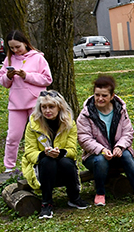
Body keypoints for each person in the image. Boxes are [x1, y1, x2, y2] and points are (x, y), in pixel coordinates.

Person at [77, 76, 134, 206]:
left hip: (118, 152)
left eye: (104, 95)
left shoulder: (120, 110)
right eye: (97, 95)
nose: (100, 99)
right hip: (95, 155)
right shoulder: (86, 114)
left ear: (112, 96)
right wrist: (102, 150)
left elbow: (128, 132)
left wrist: (120, 147)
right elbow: (83, 138)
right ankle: (100, 192)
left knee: (127, 155)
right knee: (100, 160)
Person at [22, 90, 88, 219]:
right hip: (41, 165)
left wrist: (60, 153)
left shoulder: (69, 123)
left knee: (66, 162)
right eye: (44, 107)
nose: (47, 110)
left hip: (62, 162)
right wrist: (44, 154)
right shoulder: (32, 125)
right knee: (48, 162)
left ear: (59, 107)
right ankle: (46, 203)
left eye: (51, 107)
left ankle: (74, 197)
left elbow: (72, 151)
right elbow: (29, 152)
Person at [0, 30, 53, 172]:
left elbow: (47, 79)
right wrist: (8, 77)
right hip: (16, 104)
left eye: (18, 47)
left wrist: (26, 76)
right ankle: (9, 167)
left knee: (39, 133)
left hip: (35, 103)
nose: (15, 50)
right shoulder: (9, 60)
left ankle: (45, 162)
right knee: (13, 136)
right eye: (12, 48)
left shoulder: (38, 58)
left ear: (25, 44)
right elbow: (3, 81)